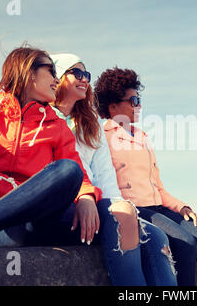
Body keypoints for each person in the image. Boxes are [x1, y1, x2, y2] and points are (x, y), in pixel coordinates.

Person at [0, 45, 101, 250]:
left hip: (19, 222)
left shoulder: (57, 126)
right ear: (29, 73)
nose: (56, 79)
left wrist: (86, 195)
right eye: (51, 71)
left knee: (69, 170)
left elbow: (77, 172)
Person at [94, 67, 197, 286]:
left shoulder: (143, 137)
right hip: (136, 210)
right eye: (133, 100)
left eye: (138, 100)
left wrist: (182, 207)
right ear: (112, 106)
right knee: (185, 245)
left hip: (161, 209)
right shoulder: (103, 137)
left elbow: (158, 188)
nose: (138, 105)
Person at [49, 52, 177, 285]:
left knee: (156, 237)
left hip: (98, 203)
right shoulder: (47, 119)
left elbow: (105, 175)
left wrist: (117, 205)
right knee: (126, 221)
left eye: (86, 74)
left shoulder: (90, 125)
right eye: (76, 72)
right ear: (57, 78)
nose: (85, 78)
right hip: (67, 205)